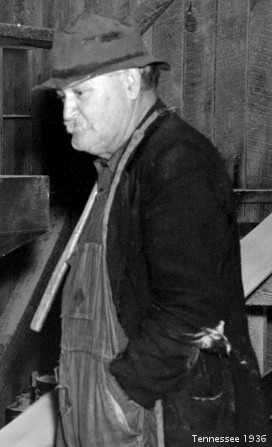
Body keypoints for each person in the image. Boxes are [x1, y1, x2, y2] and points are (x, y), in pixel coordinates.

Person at [35, 12, 267, 446]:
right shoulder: (119, 167)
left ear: (129, 82)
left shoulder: (178, 163)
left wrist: (119, 391)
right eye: (63, 97)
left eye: (80, 93)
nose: (67, 113)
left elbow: (191, 313)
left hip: (163, 420)